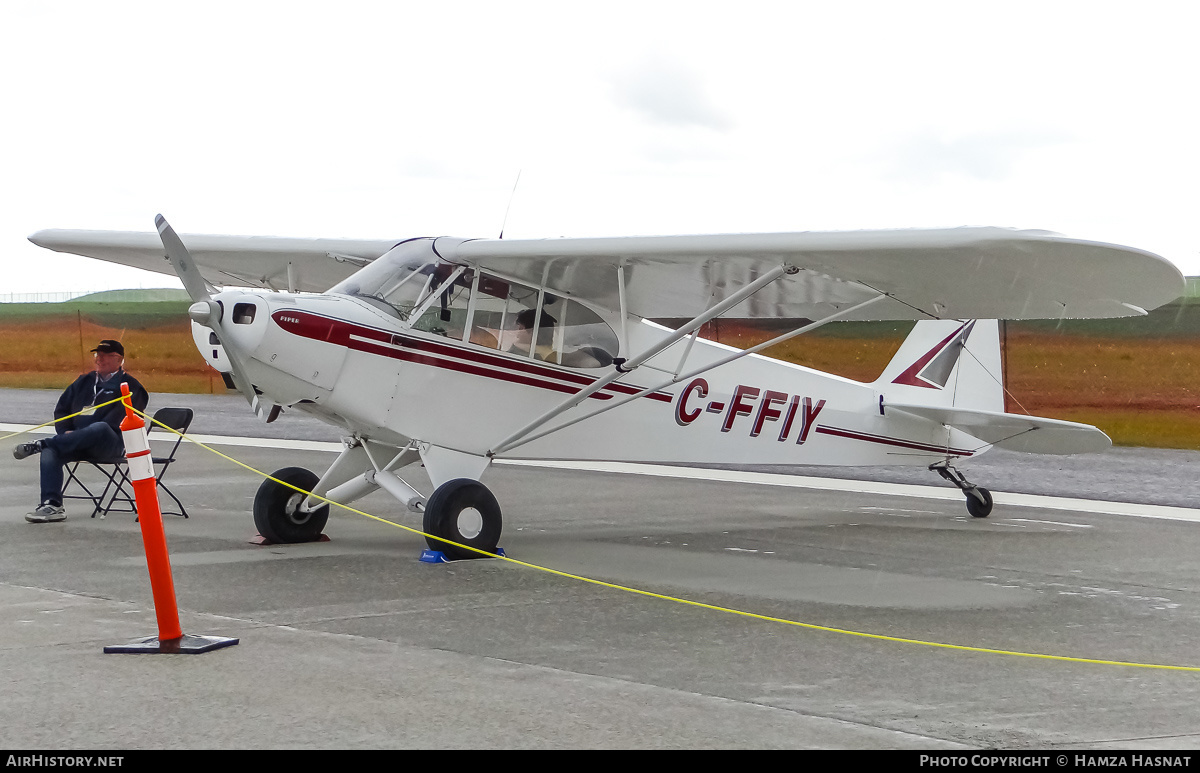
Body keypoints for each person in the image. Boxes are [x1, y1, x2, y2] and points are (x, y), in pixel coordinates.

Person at [12, 339, 149, 523]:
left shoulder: (131, 387)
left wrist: (82, 434)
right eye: (97, 356)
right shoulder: (84, 381)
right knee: (50, 451)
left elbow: (119, 421)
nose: (99, 360)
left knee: (100, 427)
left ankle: (42, 443)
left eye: (104, 356)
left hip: (109, 444)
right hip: (73, 441)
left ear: (118, 359)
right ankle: (52, 504)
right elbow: (62, 410)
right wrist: (66, 432)